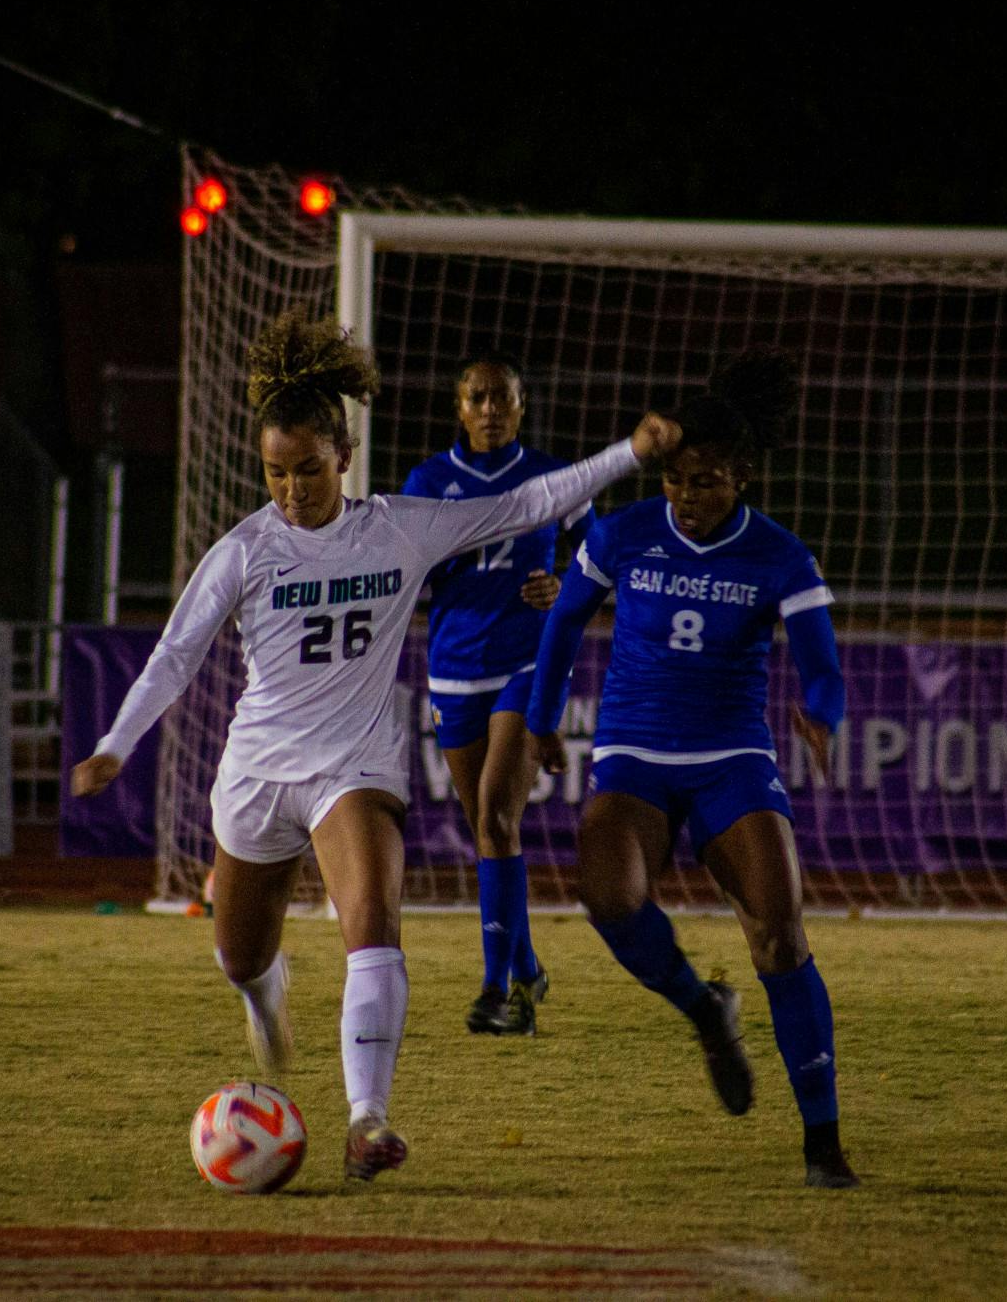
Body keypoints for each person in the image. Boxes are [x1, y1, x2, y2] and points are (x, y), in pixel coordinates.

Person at [71, 309, 680, 1184]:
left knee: (373, 923)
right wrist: (115, 744)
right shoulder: (244, 551)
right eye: (275, 473)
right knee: (241, 952)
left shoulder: (400, 527)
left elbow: (529, 501)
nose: (291, 490)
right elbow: (175, 654)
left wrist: (630, 452)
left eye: (308, 470)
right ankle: (263, 994)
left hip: (352, 765)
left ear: (344, 456)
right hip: (256, 773)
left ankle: (368, 1118)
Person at [525, 348, 860, 1190]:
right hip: (633, 751)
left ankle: (823, 1143)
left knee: (780, 934)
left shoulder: (780, 556)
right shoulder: (624, 531)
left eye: (707, 481)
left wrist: (822, 713)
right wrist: (539, 719)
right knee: (607, 895)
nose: (688, 496)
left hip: (732, 757)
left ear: (742, 474)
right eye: (677, 479)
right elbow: (564, 623)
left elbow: (821, 662)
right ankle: (703, 1009)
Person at [401, 354, 588, 1036]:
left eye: (501, 397)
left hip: (527, 662)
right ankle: (528, 968)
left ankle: (495, 992)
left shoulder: (550, 477)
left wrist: (565, 583)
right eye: (477, 397)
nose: (489, 408)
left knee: (499, 818)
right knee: (488, 828)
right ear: (459, 406)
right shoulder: (428, 482)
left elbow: (600, 562)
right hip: (453, 668)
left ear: (521, 404)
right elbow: (403, 568)